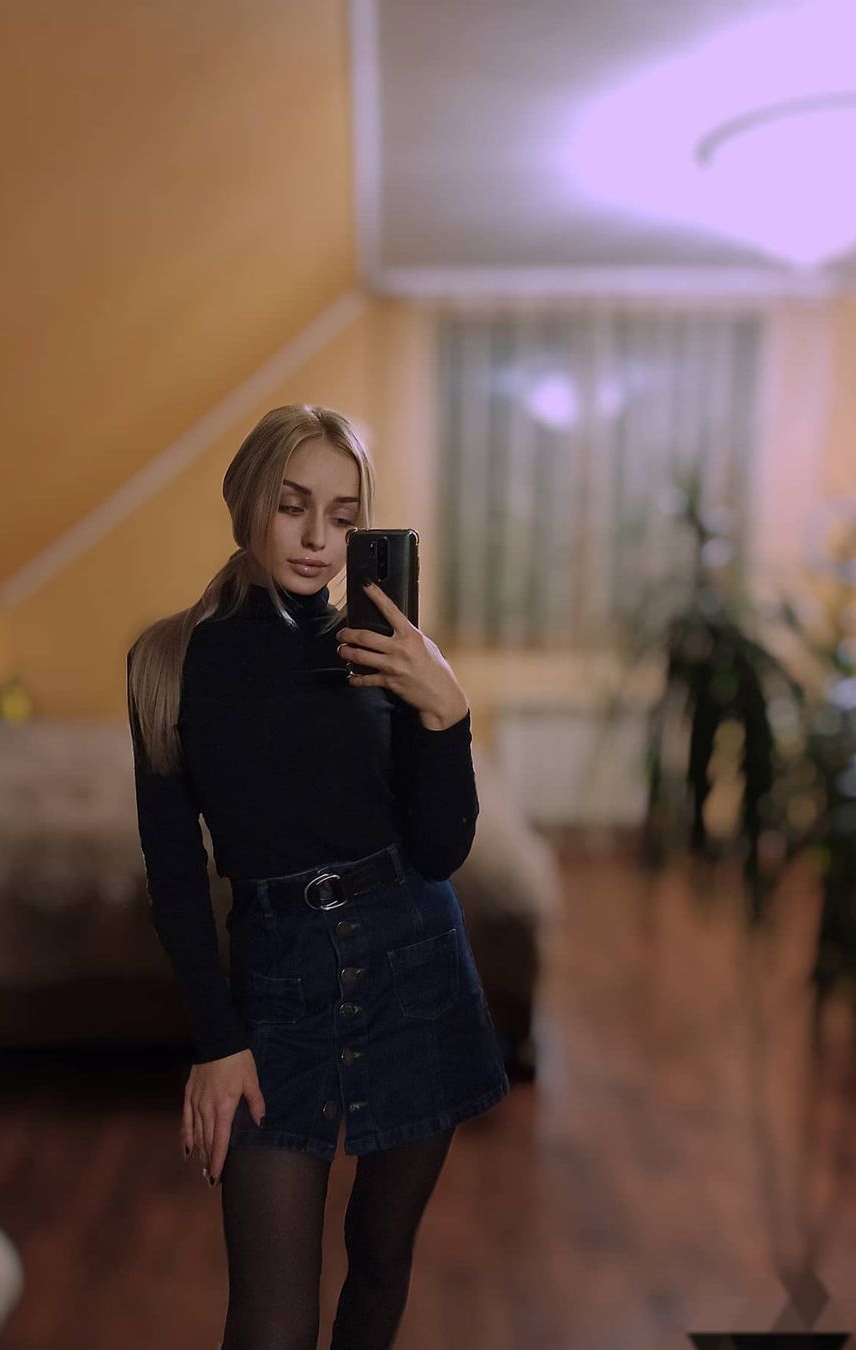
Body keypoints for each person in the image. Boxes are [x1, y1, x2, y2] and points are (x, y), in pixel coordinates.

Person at [126, 403, 510, 1349]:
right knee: (270, 1324)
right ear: (246, 500)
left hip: (414, 959)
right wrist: (216, 1041)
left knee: (380, 1258)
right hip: (278, 984)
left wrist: (447, 715)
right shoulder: (167, 661)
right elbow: (175, 873)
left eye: (343, 517)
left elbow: (440, 850)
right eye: (292, 505)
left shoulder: (378, 653)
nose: (317, 539)